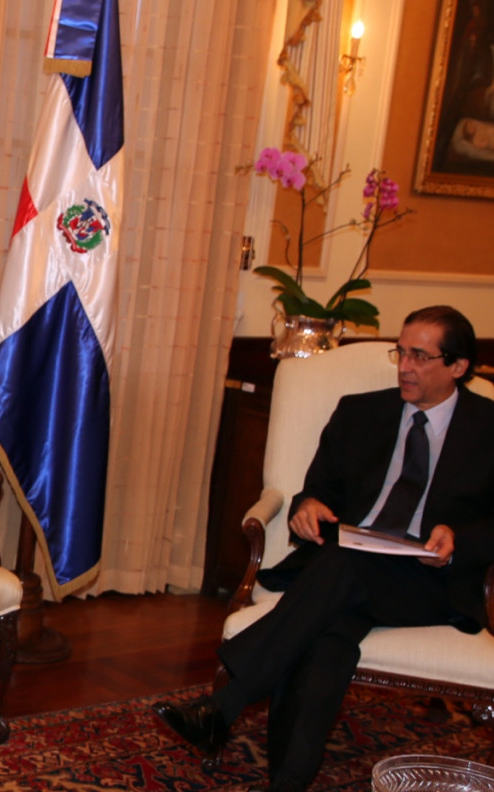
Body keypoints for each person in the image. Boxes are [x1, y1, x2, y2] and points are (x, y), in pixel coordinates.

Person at [153, 306, 494, 792]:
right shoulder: (360, 412)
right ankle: (289, 781)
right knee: (329, 637)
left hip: (431, 579)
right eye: (401, 352)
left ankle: (226, 705)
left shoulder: (487, 426)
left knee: (341, 567)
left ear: (458, 366)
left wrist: (458, 540)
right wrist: (307, 506)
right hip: (348, 571)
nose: (404, 366)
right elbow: (317, 491)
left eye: (420, 356)